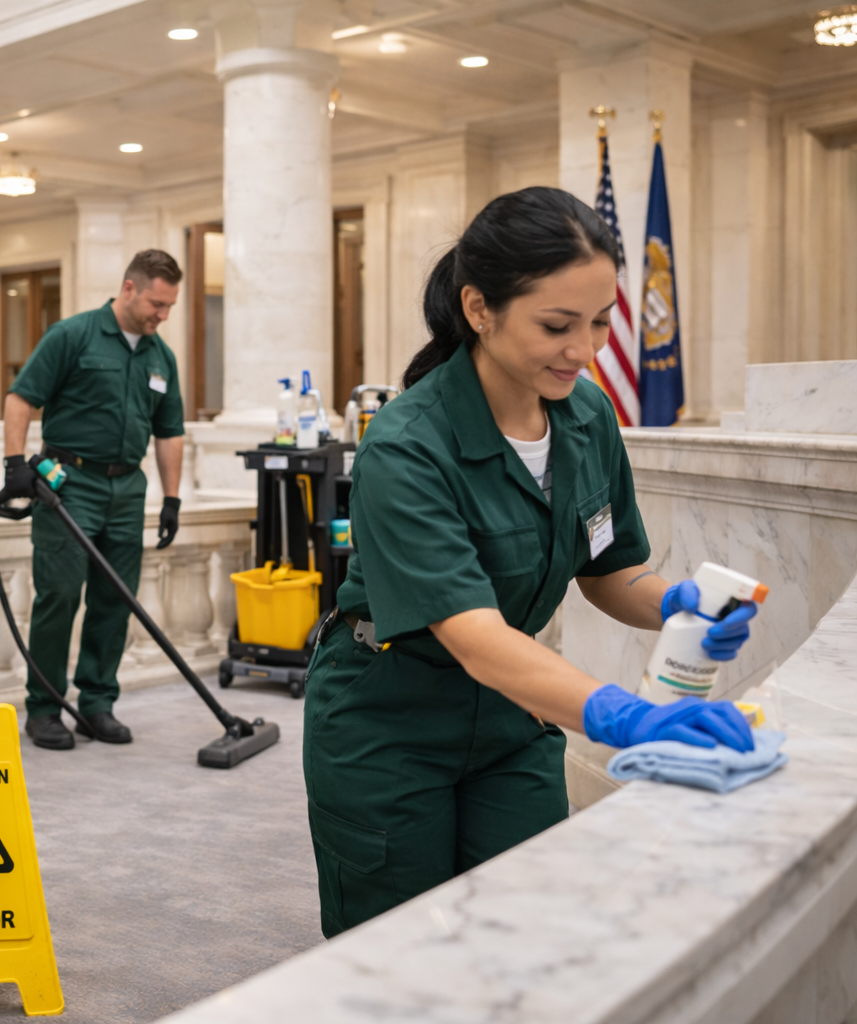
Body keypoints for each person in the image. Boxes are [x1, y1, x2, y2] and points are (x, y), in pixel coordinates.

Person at [302, 187, 758, 936]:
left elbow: (610, 569)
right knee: (403, 951)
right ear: (480, 309)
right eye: (557, 325)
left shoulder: (586, 417)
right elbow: (474, 635)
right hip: (390, 721)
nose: (586, 350)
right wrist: (621, 714)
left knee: (530, 929)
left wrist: (674, 604)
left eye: (601, 322)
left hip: (513, 715)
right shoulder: (408, 444)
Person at [0, 250, 186, 750]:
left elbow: (170, 432)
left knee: (115, 598)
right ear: (128, 288)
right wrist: (15, 464)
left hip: (127, 488)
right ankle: (44, 708)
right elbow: (21, 398)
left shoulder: (160, 356)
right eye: (156, 303)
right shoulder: (73, 335)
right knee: (59, 594)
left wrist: (172, 499)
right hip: (69, 483)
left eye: (170, 307)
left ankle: (97, 704)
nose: (162, 315)